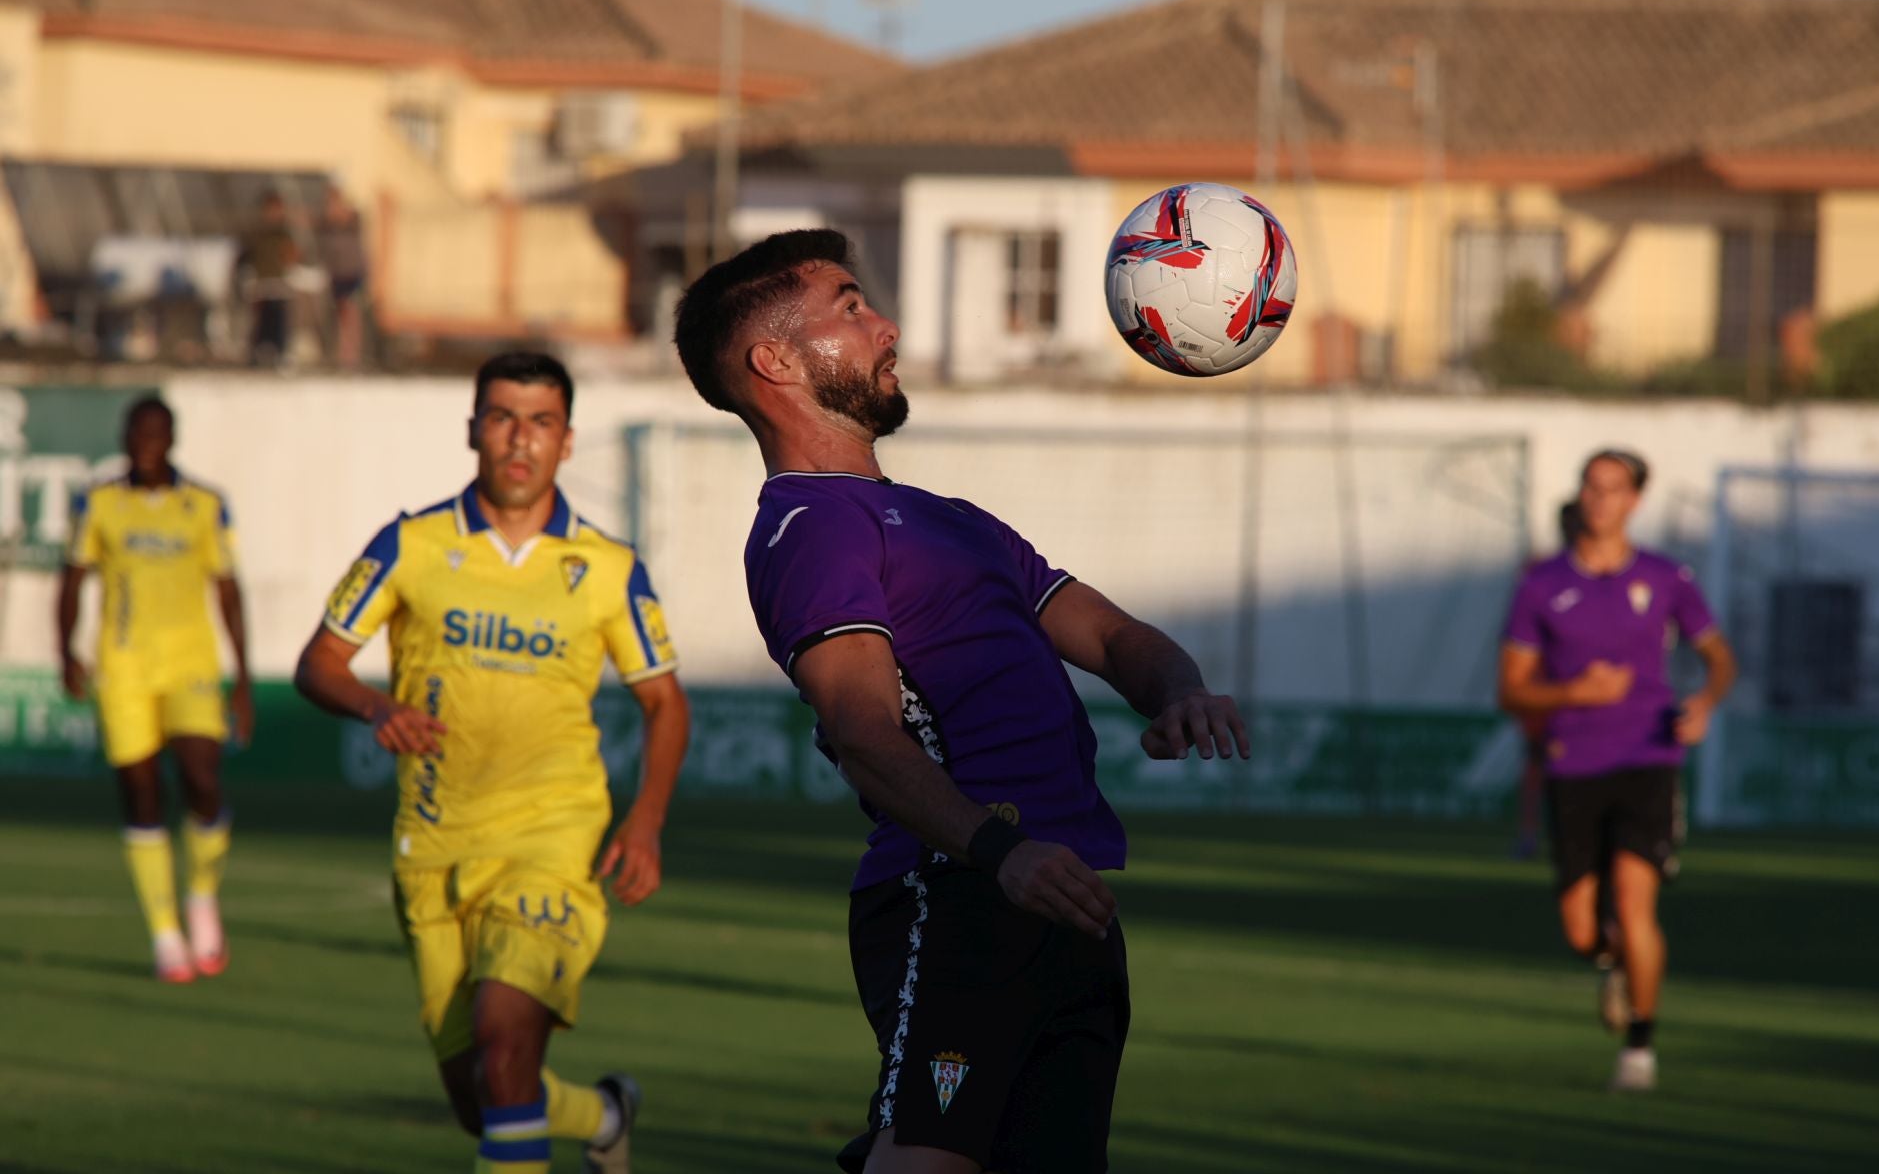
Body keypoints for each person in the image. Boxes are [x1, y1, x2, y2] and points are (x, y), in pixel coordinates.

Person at [673, 230, 1251, 1174]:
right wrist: (1000, 852)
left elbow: (1113, 637)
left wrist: (1179, 691)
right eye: (850, 307)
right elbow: (863, 734)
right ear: (774, 361)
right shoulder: (810, 528)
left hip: (1065, 902)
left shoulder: (954, 522)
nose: (887, 326)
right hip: (956, 898)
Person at [293, 352, 688, 1173]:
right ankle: (605, 1115)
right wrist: (376, 706)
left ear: (566, 441)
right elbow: (319, 663)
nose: (520, 439)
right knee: (483, 1096)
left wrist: (645, 822)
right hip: (433, 849)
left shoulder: (607, 566)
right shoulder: (409, 545)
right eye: (503, 418)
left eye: (541, 422)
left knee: (506, 1051)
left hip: (551, 840)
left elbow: (664, 701)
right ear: (473, 429)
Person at [1497, 448, 1738, 1092]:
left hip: (1648, 758)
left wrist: (1705, 702)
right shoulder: (1541, 585)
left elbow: (1719, 658)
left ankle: (1639, 1048)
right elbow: (1511, 690)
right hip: (1573, 763)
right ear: (1580, 495)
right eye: (1591, 486)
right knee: (1582, 929)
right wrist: (1573, 694)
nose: (1600, 499)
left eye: (1614, 488)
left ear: (1635, 500)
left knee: (1635, 903)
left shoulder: (1665, 576)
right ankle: (1613, 964)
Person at [57, 396, 253, 983]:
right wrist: (65, 649)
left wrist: (243, 676)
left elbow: (227, 588)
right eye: (137, 433)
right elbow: (72, 580)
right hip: (123, 669)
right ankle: (165, 933)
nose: (145, 444)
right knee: (141, 794)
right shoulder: (99, 504)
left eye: (156, 433)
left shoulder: (205, 505)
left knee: (201, 779)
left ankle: (201, 894)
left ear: (172, 439)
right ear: (125, 437)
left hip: (190, 665)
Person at [1511, 498, 1586, 862]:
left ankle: (1581, 834)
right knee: (1538, 757)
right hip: (1547, 684)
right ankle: (1530, 832)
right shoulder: (1541, 571)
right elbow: (1521, 630)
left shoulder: (1609, 572)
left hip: (1588, 684)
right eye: (1568, 525)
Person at [239, 191, 300, 366]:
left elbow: (291, 256)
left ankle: (280, 351)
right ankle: (256, 352)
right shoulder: (257, 234)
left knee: (279, 320)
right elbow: (246, 257)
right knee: (261, 321)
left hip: (279, 284)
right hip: (262, 284)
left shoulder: (284, 234)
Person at [317, 184, 369, 368]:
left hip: (352, 273)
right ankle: (343, 352)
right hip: (337, 273)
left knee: (351, 312)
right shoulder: (327, 227)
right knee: (340, 313)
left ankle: (351, 354)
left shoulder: (353, 222)